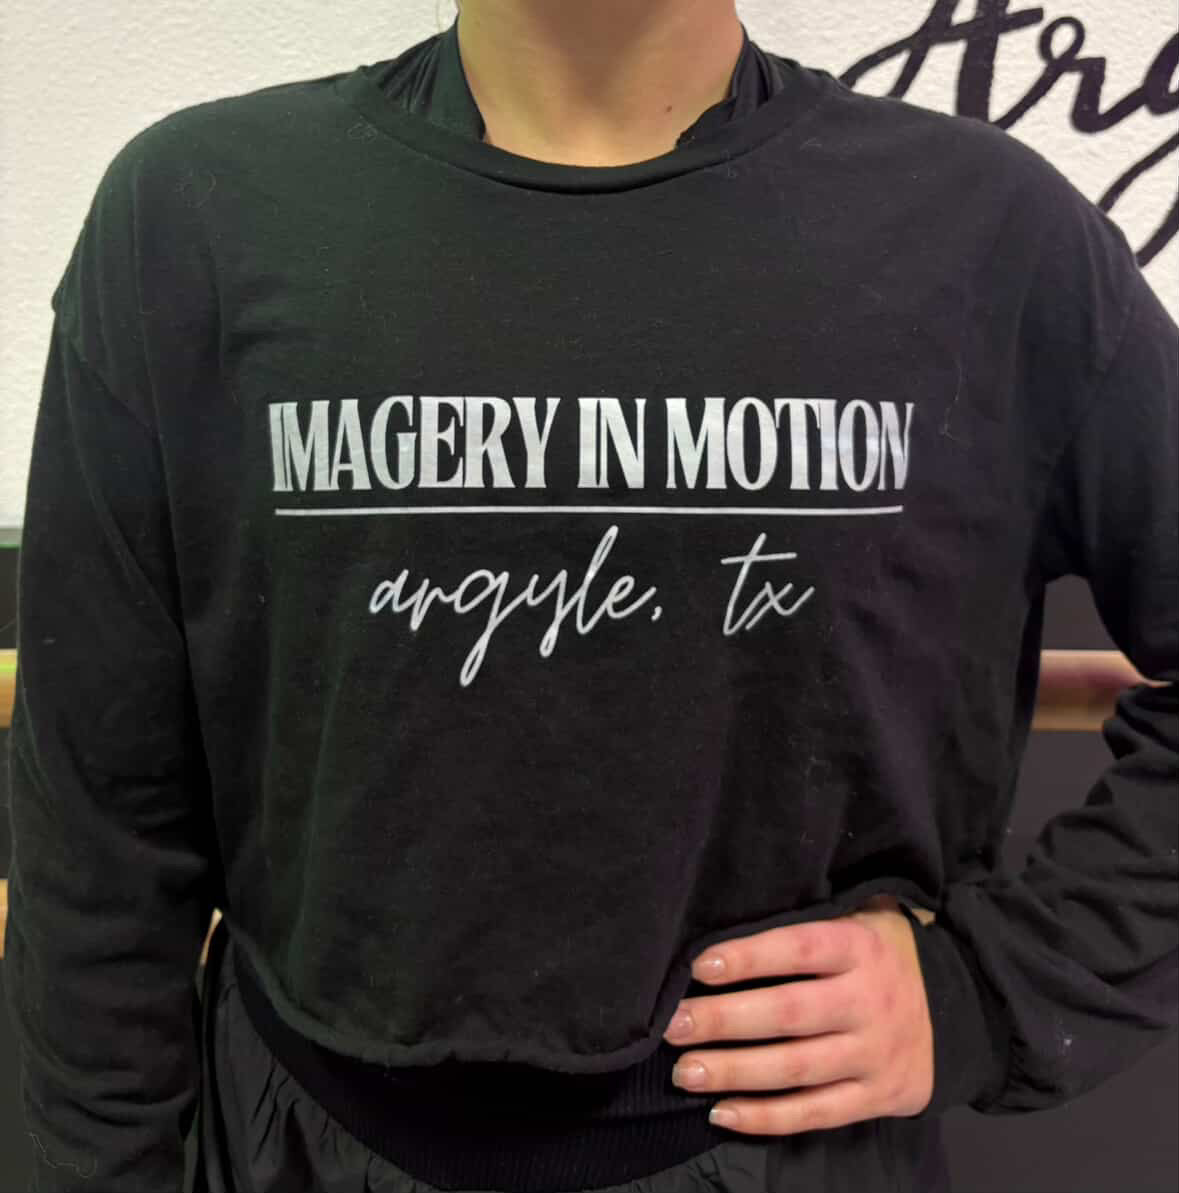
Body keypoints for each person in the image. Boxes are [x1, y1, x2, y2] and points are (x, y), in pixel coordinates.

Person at [5, 2, 1176, 1191]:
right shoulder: (195, 217)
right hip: (297, 1136)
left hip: (788, 1155)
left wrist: (991, 988)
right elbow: (98, 828)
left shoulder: (988, 236)